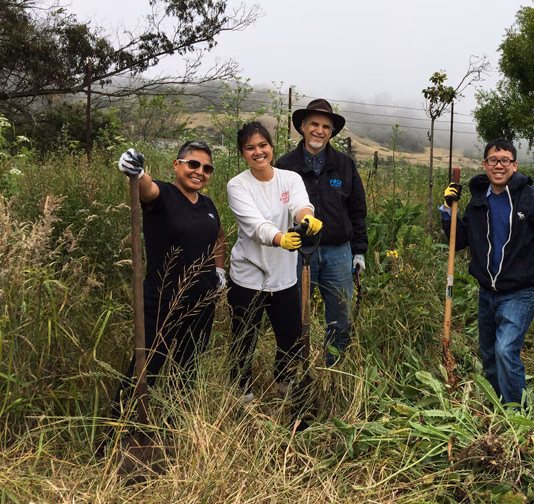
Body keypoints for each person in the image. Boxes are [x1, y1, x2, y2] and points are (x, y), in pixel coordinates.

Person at [441, 138, 534, 405]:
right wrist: (448, 209)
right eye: (493, 160)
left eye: (505, 160)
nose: (499, 165)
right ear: (484, 164)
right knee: (490, 354)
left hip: (521, 291)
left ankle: (518, 413)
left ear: (515, 165)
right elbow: (458, 241)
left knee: (506, 350)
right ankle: (498, 405)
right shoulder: (476, 201)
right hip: (487, 291)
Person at [112, 140, 226, 417]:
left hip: (202, 300)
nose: (200, 171)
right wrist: (135, 172)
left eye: (207, 168)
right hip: (163, 298)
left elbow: (219, 236)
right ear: (177, 165)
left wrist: (219, 270)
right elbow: (145, 188)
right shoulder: (163, 194)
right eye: (193, 164)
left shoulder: (208, 204)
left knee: (189, 367)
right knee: (146, 366)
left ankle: (176, 425)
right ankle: (117, 431)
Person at [226, 121, 322, 403]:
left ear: (271, 147)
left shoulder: (289, 179)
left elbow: (299, 204)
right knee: (244, 337)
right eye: (250, 148)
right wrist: (280, 238)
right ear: (242, 153)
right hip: (248, 276)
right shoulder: (238, 185)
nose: (258, 152)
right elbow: (254, 224)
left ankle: (285, 381)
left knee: (290, 337)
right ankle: (242, 393)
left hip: (283, 276)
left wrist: (306, 217)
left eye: (263, 145)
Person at [275, 99, 367, 365]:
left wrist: (359, 250)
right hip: (298, 252)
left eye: (326, 126)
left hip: (338, 252)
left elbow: (358, 210)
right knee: (294, 313)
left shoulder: (344, 165)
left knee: (340, 314)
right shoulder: (285, 165)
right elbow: (277, 210)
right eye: (314, 124)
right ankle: (296, 369)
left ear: (331, 132)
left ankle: (333, 367)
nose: (319, 130)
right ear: (303, 127)